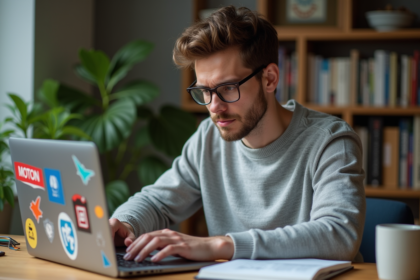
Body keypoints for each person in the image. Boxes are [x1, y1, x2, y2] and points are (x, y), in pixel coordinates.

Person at [109, 6, 366, 263]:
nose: (214, 107)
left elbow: (339, 234)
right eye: (204, 91)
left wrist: (223, 244)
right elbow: (158, 202)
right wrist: (125, 224)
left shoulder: (330, 141)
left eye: (228, 88)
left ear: (269, 79)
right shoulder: (208, 138)